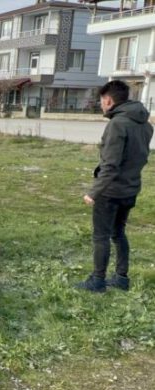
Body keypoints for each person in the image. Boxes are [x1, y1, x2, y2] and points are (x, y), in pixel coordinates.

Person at [76, 80, 152, 293]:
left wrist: (94, 192)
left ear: (108, 100)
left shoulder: (117, 124)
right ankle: (121, 277)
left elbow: (110, 164)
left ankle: (97, 281)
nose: (101, 105)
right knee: (118, 232)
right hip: (131, 188)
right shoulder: (145, 125)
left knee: (101, 236)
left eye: (101, 101)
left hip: (111, 191)